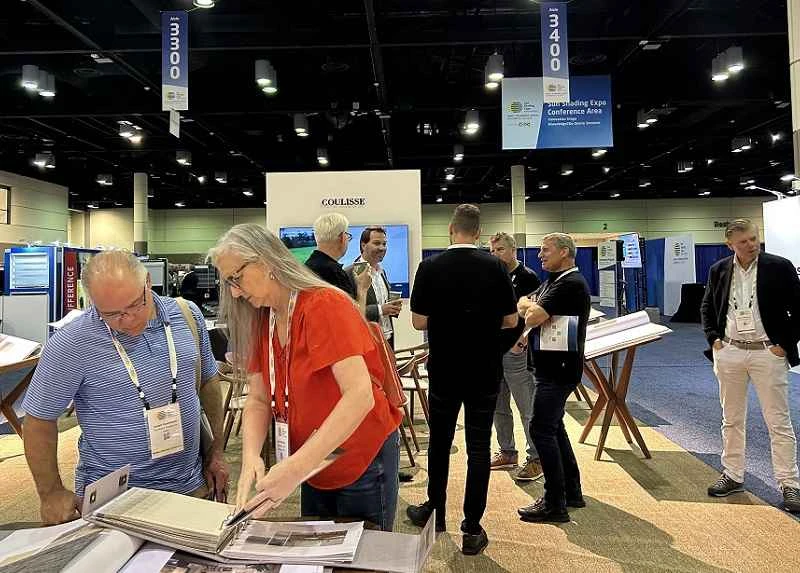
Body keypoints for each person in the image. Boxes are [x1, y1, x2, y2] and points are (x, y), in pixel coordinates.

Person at [209, 223, 403, 531]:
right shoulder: (263, 317)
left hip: (359, 454)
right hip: (313, 459)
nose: (234, 291)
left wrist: (297, 466)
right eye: (228, 282)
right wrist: (251, 457)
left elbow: (359, 395)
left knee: (365, 548)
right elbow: (258, 398)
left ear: (266, 262)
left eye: (237, 277)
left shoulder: (323, 305)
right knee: (318, 543)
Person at [22, 251, 228, 525]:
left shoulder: (186, 315)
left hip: (190, 486)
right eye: (112, 314)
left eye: (135, 305)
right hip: (113, 499)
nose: (128, 319)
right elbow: (38, 420)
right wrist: (50, 492)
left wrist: (216, 451)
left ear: (147, 282)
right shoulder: (71, 342)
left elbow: (208, 382)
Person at [405, 204, 518, 556]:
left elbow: (418, 322)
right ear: (479, 233)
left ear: (451, 230)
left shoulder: (430, 266)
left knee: (439, 443)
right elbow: (511, 320)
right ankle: (471, 527)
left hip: (445, 368)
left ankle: (435, 513)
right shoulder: (496, 267)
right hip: (484, 369)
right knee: (479, 447)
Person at [700, 218, 800, 513]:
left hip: (767, 352)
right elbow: (707, 306)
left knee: (778, 421)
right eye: (743, 241)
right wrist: (714, 339)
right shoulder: (719, 269)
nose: (751, 245)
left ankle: (789, 483)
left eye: (754, 239)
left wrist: (783, 345)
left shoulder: (779, 267)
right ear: (730, 244)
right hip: (729, 351)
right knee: (731, 418)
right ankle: (732, 474)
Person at [516, 233, 590, 523]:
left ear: (564, 252)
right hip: (550, 368)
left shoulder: (570, 283)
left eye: (545, 250)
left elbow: (532, 316)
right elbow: (524, 303)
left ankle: (554, 503)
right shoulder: (553, 282)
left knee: (540, 429)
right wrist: (530, 307)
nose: (540, 255)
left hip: (558, 371)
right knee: (554, 428)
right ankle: (571, 491)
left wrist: (532, 309)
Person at [488, 232, 543, 481]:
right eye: (492, 251)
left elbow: (536, 316)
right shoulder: (492, 275)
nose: (495, 255)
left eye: (500, 249)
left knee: (526, 408)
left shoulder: (527, 277)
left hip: (516, 353)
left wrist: (522, 340)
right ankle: (507, 451)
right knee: (499, 406)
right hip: (493, 351)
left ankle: (536, 458)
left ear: (513, 250)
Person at [344, 226, 402, 348]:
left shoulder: (382, 272)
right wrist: (381, 310)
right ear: (363, 245)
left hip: (387, 340)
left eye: (384, 244)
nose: (382, 248)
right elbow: (349, 312)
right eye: (376, 243)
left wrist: (392, 307)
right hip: (366, 343)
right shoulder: (349, 273)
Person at [305, 213, 357, 298]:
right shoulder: (335, 273)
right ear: (342, 237)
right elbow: (352, 307)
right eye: (348, 236)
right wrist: (362, 289)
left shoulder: (307, 267)